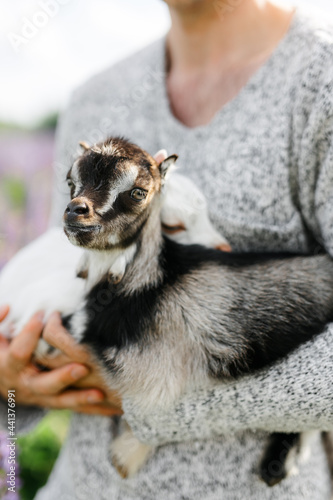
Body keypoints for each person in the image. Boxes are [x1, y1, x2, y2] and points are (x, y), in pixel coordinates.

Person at [1, 0, 333, 498]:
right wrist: (16, 383)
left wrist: (147, 394)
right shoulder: (96, 97)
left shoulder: (320, 83)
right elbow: (66, 292)